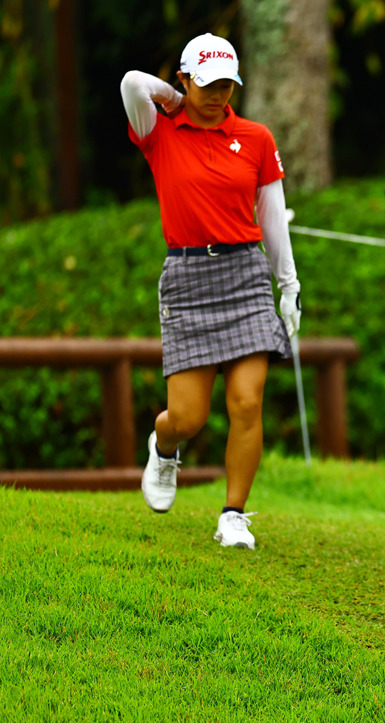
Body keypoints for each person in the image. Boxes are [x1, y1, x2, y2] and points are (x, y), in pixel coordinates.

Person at [122, 32, 302, 550]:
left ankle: (233, 514)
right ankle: (164, 445)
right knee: (189, 417)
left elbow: (271, 217)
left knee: (247, 402)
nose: (217, 94)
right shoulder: (157, 128)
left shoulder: (257, 137)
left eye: (226, 84)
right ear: (183, 79)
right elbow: (132, 83)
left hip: (245, 275)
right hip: (186, 278)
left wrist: (287, 285)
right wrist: (174, 100)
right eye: (205, 83)